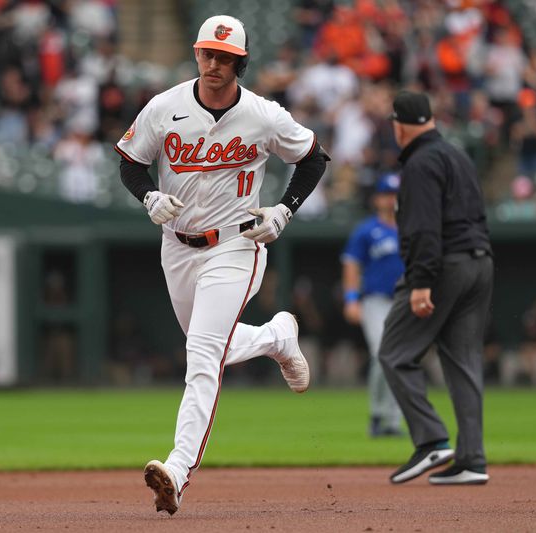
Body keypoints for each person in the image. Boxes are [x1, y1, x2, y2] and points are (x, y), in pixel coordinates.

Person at [115, 15, 328, 514]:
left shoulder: (263, 114)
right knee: (207, 344)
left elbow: (314, 157)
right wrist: (148, 196)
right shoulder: (164, 107)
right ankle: (277, 337)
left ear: (240, 62)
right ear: (196, 53)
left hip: (236, 246)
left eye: (225, 57)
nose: (214, 63)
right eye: (208, 53)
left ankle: (178, 469)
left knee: (202, 356)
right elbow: (129, 160)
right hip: (177, 246)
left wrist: (284, 209)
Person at [378, 90, 493, 486]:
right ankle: (472, 459)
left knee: (394, 352)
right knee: (463, 362)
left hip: (443, 265)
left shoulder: (421, 162)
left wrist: (422, 281)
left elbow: (424, 226)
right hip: (479, 262)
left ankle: (431, 441)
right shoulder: (456, 154)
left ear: (400, 124)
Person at [341, 173, 405, 437]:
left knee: (400, 359)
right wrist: (351, 299)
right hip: (376, 301)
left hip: (405, 301)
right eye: (387, 194)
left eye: (396, 195)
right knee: (382, 354)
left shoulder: (413, 228)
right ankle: (380, 415)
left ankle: (391, 420)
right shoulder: (367, 230)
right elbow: (351, 265)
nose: (391, 200)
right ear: (378, 199)